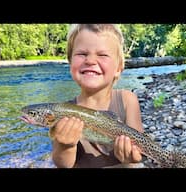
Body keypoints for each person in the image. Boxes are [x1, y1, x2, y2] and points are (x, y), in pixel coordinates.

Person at [51, 24, 144, 168]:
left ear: (118, 69)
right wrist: (66, 146)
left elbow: (141, 146)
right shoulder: (64, 111)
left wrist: (131, 157)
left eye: (102, 55)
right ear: (70, 63)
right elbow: (63, 164)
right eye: (82, 54)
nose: (90, 60)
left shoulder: (127, 99)